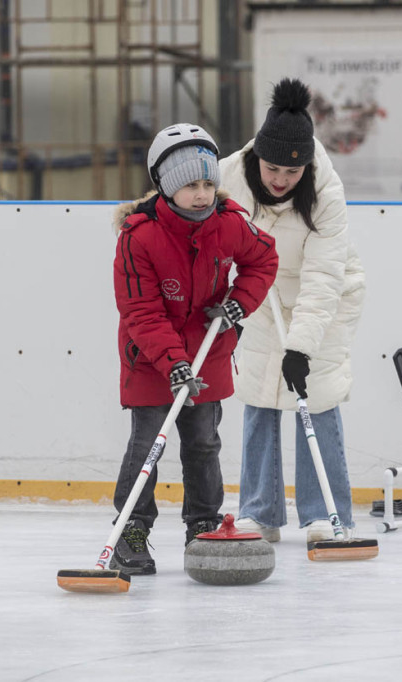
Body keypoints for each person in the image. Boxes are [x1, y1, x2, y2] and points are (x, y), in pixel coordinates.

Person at [110, 122, 278, 575]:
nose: (202, 194)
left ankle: (202, 522)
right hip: (151, 359)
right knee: (147, 445)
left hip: (208, 351)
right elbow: (141, 311)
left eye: (208, 183)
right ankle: (132, 530)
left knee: (203, 443)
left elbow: (264, 259)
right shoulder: (138, 237)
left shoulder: (228, 225)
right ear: (165, 185)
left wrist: (238, 305)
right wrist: (173, 364)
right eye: (189, 185)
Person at [220, 78, 366, 543]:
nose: (281, 180)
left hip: (326, 294)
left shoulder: (326, 194)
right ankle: (259, 510)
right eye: (272, 169)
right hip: (260, 291)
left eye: (292, 171)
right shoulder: (228, 177)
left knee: (315, 391)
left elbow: (324, 277)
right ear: (256, 158)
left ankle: (324, 513)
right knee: (260, 391)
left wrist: (301, 346)